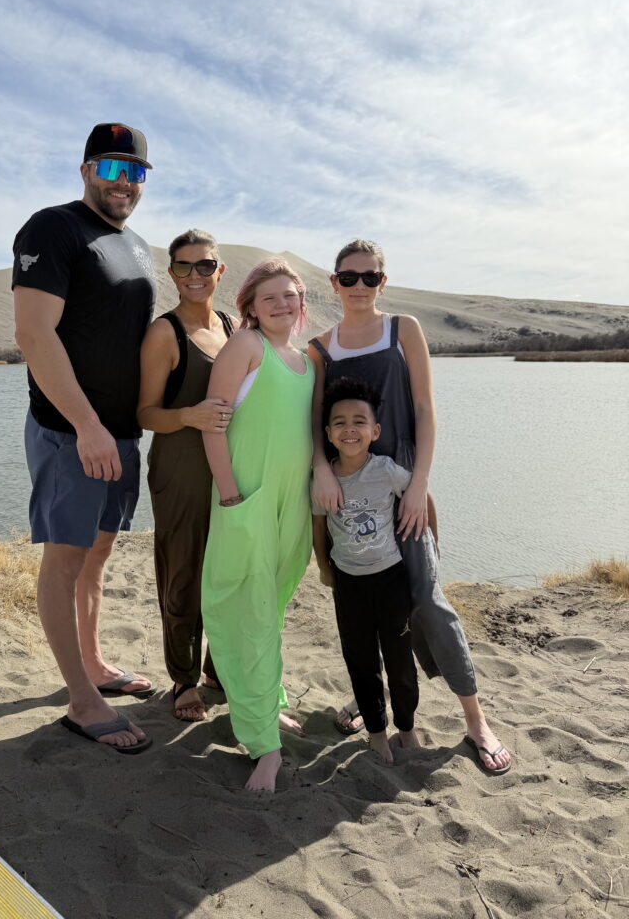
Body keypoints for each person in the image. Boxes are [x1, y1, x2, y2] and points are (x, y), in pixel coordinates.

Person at [309, 240, 512, 775]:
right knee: (366, 603)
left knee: (427, 598)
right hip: (350, 493)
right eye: (348, 277)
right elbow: (314, 422)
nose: (358, 286)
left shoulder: (404, 330)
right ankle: (370, 701)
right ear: (334, 283)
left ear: (383, 280)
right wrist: (322, 469)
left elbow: (424, 408)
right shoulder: (320, 348)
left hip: (403, 487)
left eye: (369, 277)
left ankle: (475, 719)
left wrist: (419, 483)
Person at [12, 123, 156, 753]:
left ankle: (94, 664)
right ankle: (80, 699)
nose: (124, 182)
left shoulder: (137, 246)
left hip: (120, 435)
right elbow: (34, 334)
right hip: (71, 431)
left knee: (97, 556)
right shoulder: (54, 228)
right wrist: (87, 426)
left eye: (136, 172)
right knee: (65, 560)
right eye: (113, 168)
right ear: (86, 170)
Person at [201, 258, 314, 792]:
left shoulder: (306, 361)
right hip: (247, 499)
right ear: (250, 306)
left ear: (301, 302)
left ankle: (267, 703)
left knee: (270, 610)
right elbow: (213, 426)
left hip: (293, 506)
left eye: (289, 295)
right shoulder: (246, 346)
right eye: (269, 297)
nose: (281, 304)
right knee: (247, 613)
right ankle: (263, 741)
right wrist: (230, 497)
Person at [137, 230, 234, 722]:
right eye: (183, 266)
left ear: (220, 271)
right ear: (171, 273)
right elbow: (145, 413)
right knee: (184, 573)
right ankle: (183, 678)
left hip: (228, 470)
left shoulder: (233, 326)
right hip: (180, 468)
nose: (194, 275)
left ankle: (219, 670)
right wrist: (189, 416)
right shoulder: (164, 333)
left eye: (204, 265)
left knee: (228, 569)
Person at [312, 379, 419, 765]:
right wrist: (324, 567)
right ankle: (376, 732)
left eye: (359, 422)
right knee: (361, 662)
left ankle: (406, 727)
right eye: (339, 422)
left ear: (375, 431)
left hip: (391, 579)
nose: (349, 429)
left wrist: (432, 549)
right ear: (328, 433)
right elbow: (318, 526)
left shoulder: (386, 470)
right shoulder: (323, 480)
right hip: (348, 583)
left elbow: (420, 498)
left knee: (400, 662)